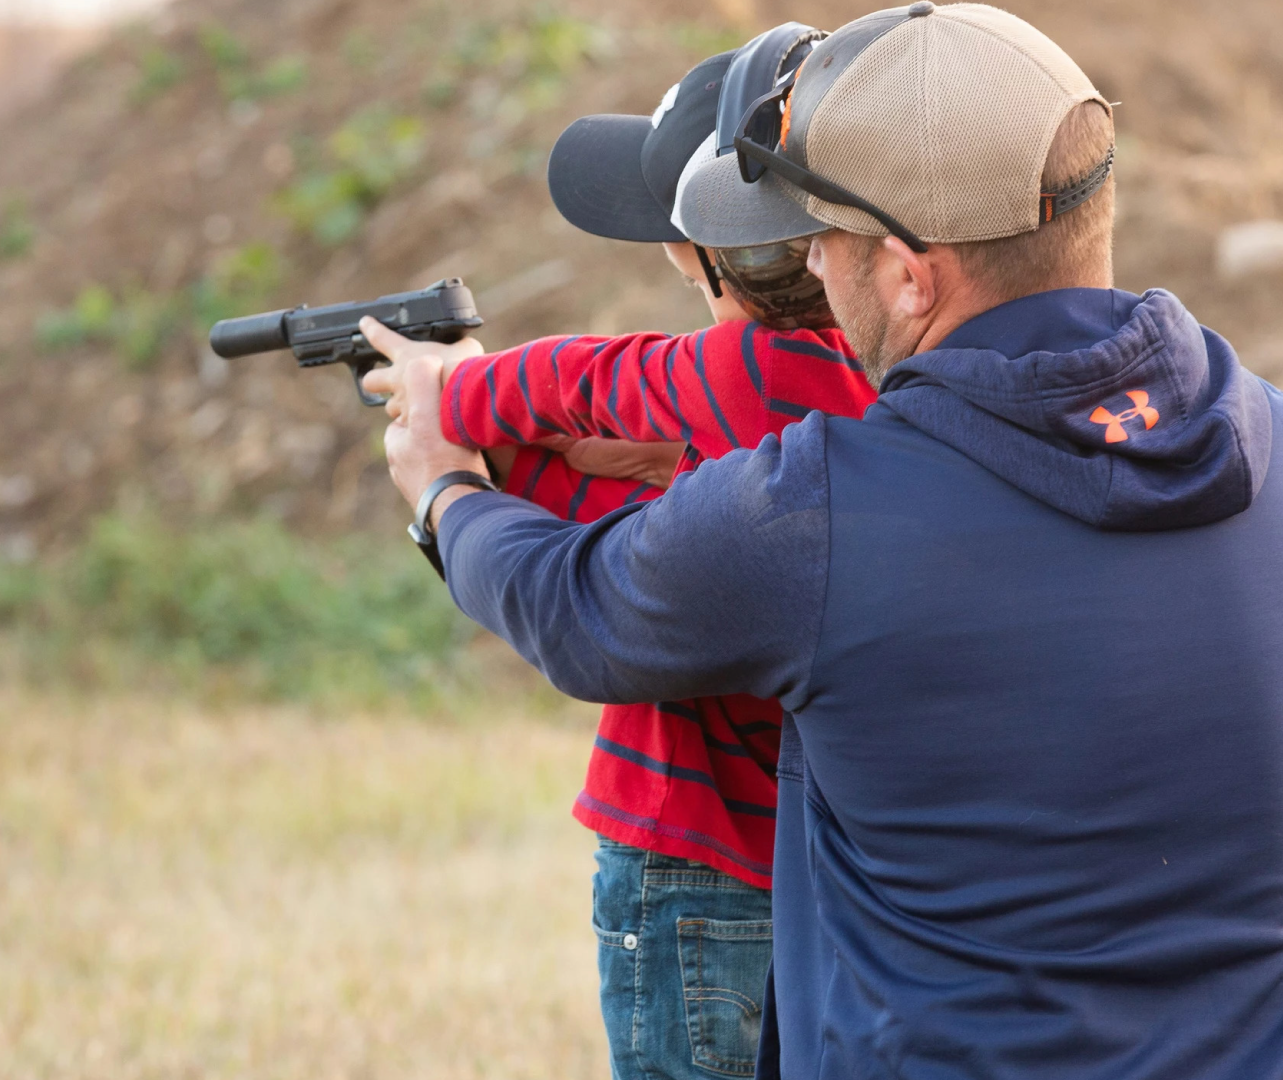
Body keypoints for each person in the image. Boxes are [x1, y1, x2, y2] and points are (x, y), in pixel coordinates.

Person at [372, 5, 1283, 1079]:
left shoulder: (819, 515)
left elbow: (578, 610)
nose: (805, 259)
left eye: (820, 234)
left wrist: (444, 491)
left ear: (909, 272)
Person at [363, 25, 877, 1080]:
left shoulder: (738, 368)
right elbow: (638, 531)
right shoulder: (872, 387)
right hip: (820, 883)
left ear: (706, 250)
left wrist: (453, 401)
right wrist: (508, 460)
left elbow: (595, 380)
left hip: (680, 861)